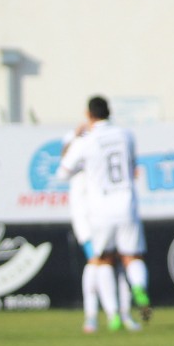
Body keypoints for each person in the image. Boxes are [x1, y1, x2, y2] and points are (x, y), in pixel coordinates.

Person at [55, 97, 150, 331]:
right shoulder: (126, 135)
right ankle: (138, 289)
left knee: (101, 260)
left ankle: (112, 314)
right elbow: (132, 166)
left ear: (88, 114)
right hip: (126, 204)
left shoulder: (84, 140)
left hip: (97, 210)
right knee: (131, 258)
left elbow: (62, 172)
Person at [62, 124, 120, 332]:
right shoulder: (77, 141)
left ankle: (106, 315)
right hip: (84, 213)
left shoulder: (100, 142)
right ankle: (101, 315)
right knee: (97, 260)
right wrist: (74, 137)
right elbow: (64, 162)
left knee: (104, 260)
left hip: (103, 210)